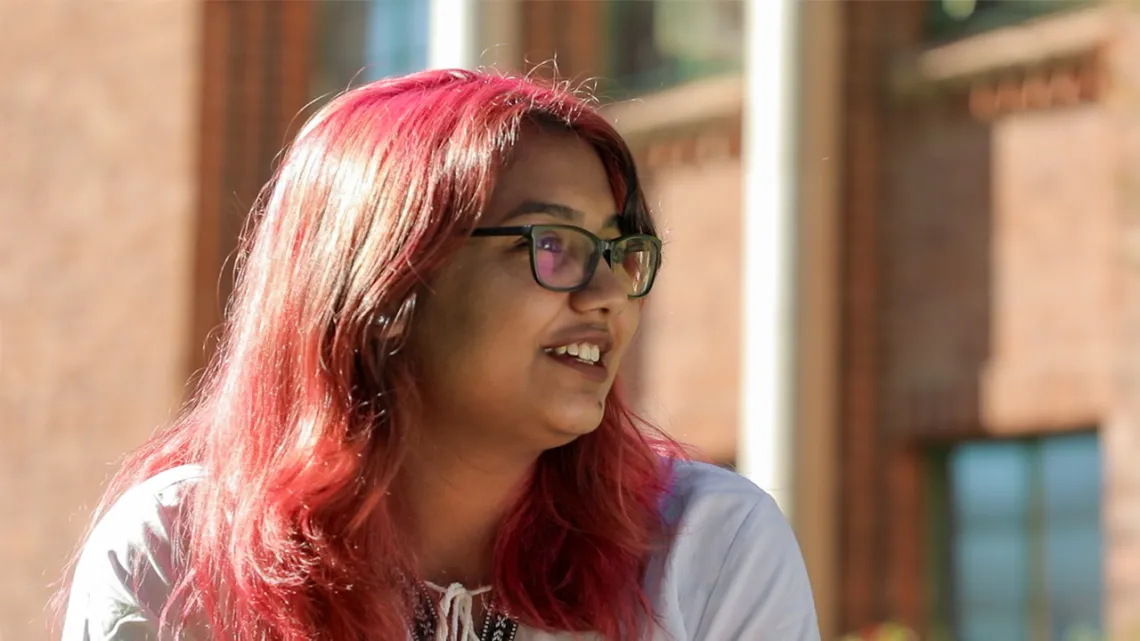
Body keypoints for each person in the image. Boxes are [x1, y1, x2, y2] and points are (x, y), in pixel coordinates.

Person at [57, 69, 819, 641]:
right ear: (387, 291)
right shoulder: (176, 551)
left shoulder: (709, 544)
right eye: (551, 244)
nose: (608, 293)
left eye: (622, 251)